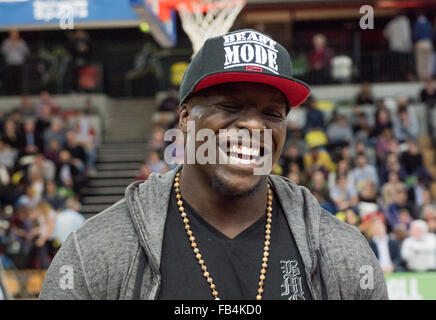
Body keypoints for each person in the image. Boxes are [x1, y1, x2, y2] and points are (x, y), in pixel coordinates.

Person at [40, 29, 387, 300]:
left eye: (272, 113)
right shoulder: (97, 252)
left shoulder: (344, 253)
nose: (254, 126)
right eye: (231, 106)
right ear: (187, 119)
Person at [1, 29, 29, 95]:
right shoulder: (6, 42)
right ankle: (10, 93)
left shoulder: (21, 42)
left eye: (15, 33)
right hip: (10, 64)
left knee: (19, 81)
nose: (14, 35)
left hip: (19, 65)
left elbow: (26, 52)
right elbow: (2, 51)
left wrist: (18, 46)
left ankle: (18, 93)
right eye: (12, 33)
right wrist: (10, 46)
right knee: (10, 81)